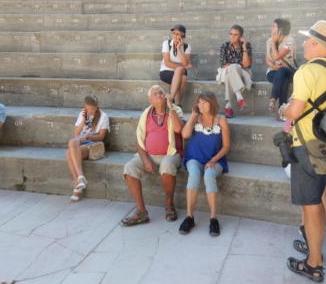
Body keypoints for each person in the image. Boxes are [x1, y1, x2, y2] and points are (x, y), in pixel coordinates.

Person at [280, 20, 326, 282]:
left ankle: (313, 264)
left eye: (308, 40)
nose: (304, 43)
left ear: (317, 44)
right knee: (316, 200)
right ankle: (314, 248)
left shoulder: (307, 71)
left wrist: (284, 109)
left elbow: (294, 111)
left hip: (307, 146)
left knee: (310, 206)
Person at [121, 85, 184, 226]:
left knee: (167, 166)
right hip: (148, 154)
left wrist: (170, 107)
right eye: (156, 94)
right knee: (129, 168)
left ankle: (169, 204)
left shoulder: (175, 110)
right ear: (150, 99)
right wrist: (145, 160)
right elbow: (139, 140)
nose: (160, 95)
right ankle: (141, 211)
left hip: (171, 153)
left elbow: (179, 129)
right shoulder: (146, 114)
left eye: (161, 92)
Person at [179, 91, 230, 237]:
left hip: (215, 159)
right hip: (194, 158)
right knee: (194, 174)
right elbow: (185, 135)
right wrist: (193, 117)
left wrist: (212, 160)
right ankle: (189, 217)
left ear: (212, 104)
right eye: (199, 102)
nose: (201, 105)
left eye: (204, 102)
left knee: (209, 175)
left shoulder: (221, 121)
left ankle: (213, 218)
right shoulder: (195, 119)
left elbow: (226, 146)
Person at [67, 96, 109, 202]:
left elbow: (101, 137)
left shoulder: (103, 117)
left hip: (93, 145)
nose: (89, 111)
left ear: (96, 107)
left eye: (91, 109)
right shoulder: (83, 114)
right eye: (87, 109)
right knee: (71, 144)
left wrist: (87, 136)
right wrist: (83, 121)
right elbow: (76, 133)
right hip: (81, 144)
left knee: (69, 153)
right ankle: (80, 179)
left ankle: (77, 186)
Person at [217, 24, 253, 118]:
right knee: (230, 73)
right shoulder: (224, 46)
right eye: (231, 34)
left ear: (240, 37)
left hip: (243, 73)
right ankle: (237, 98)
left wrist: (244, 47)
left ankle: (229, 106)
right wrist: (236, 65)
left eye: (235, 34)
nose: (232, 36)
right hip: (228, 72)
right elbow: (224, 64)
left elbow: (246, 65)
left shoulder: (247, 45)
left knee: (233, 67)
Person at [265, 18, 297, 121]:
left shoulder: (290, 41)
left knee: (282, 71)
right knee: (283, 79)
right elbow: (267, 58)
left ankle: (272, 100)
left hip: (289, 71)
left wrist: (274, 43)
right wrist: (273, 67)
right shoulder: (269, 41)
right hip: (273, 72)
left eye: (274, 26)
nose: (271, 28)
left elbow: (277, 57)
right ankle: (281, 111)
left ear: (281, 30)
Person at [159, 24, 192, 107]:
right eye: (173, 33)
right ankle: (177, 104)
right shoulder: (166, 43)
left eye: (177, 34)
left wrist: (179, 49)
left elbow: (185, 63)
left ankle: (172, 100)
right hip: (166, 71)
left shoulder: (187, 47)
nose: (174, 35)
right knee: (182, 76)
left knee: (181, 73)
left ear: (183, 36)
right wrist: (182, 67)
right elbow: (167, 63)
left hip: (180, 72)